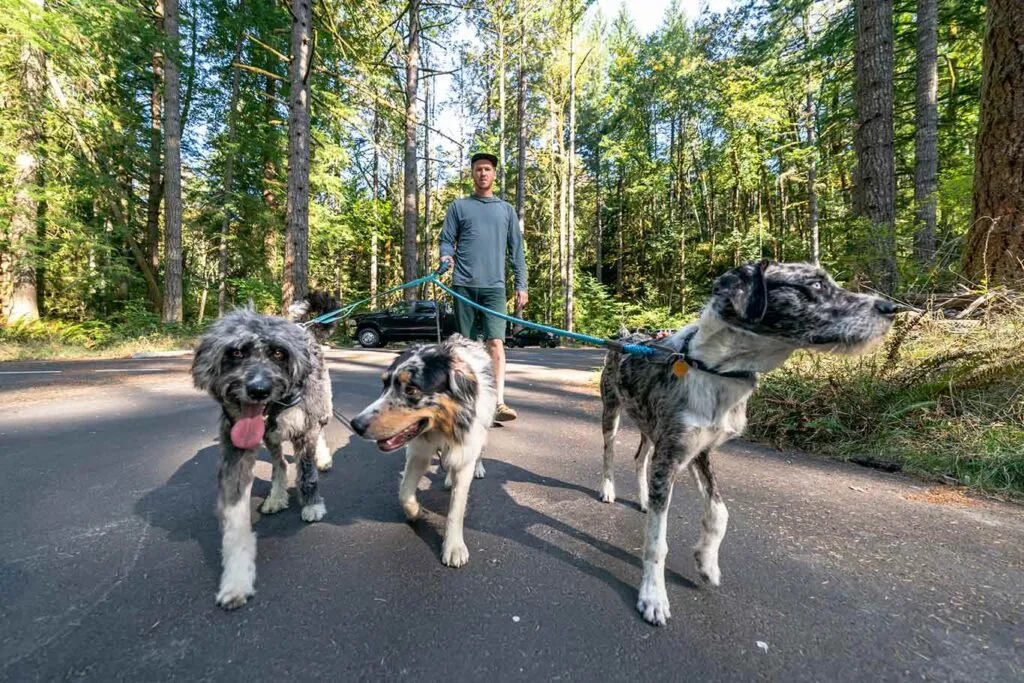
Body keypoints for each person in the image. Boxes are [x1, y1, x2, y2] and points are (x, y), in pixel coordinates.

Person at [439, 152, 527, 422]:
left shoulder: (506, 210)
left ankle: (498, 402)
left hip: (495, 288)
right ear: (472, 174)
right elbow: (446, 240)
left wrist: (521, 284)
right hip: (463, 285)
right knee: (463, 346)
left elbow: (517, 251)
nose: (483, 173)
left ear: (494, 174)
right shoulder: (459, 206)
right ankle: (464, 400)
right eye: (478, 169)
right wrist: (445, 255)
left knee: (496, 343)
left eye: (487, 169)